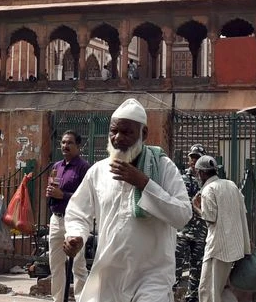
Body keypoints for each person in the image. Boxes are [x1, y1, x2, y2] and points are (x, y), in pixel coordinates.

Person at [63, 98, 192, 302]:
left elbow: (183, 215)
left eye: (127, 132)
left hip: (152, 277)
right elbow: (78, 212)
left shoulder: (163, 168)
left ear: (144, 133)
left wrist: (144, 183)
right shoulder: (99, 171)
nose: (118, 138)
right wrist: (76, 236)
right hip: (108, 275)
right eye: (113, 131)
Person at [193, 155, 251, 302]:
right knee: (222, 289)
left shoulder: (208, 190)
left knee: (207, 291)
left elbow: (210, 218)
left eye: (197, 172)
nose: (197, 175)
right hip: (235, 247)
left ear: (202, 173)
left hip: (217, 249)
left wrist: (197, 208)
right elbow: (242, 211)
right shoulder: (231, 185)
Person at [47, 130, 90, 302]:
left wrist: (62, 195)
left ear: (78, 146)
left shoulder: (83, 168)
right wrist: (51, 194)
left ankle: (83, 299)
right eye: (63, 142)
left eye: (70, 143)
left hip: (75, 221)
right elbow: (52, 188)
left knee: (78, 265)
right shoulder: (56, 166)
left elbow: (86, 198)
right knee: (56, 265)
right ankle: (58, 299)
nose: (65, 146)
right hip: (56, 219)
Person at [175, 144, 209, 302]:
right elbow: (183, 202)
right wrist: (196, 205)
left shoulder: (207, 182)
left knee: (197, 269)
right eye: (191, 158)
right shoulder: (182, 179)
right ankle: (173, 296)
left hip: (200, 232)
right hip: (183, 231)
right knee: (176, 267)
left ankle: (192, 298)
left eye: (196, 158)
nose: (193, 161)